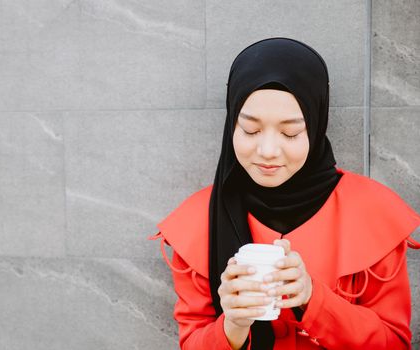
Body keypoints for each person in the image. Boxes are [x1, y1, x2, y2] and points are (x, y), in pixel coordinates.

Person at [150, 37, 420, 350]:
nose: (267, 151)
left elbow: (394, 343)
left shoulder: (371, 211)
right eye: (250, 130)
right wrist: (233, 325)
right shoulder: (199, 221)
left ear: (316, 126)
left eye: (291, 132)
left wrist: (313, 299)